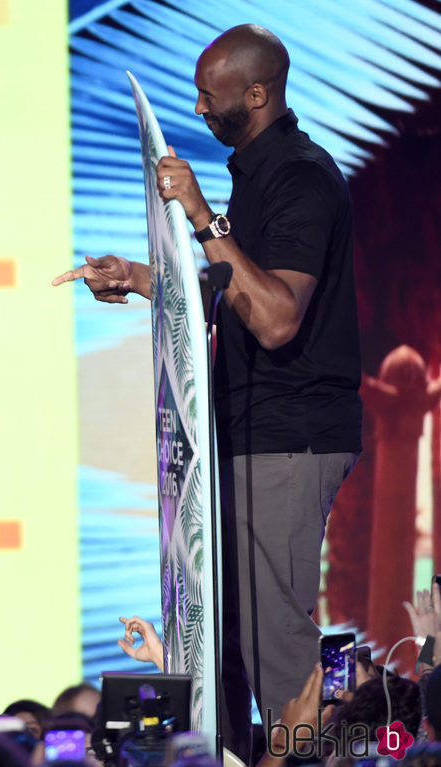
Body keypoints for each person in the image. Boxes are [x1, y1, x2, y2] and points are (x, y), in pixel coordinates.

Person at [53, 24, 362, 761]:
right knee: (224, 637)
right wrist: (134, 276)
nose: (196, 109)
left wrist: (198, 213)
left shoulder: (300, 177)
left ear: (256, 95)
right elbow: (231, 289)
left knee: (274, 639)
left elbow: (278, 316)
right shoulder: (255, 174)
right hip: (245, 431)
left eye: (208, 95)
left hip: (288, 435)